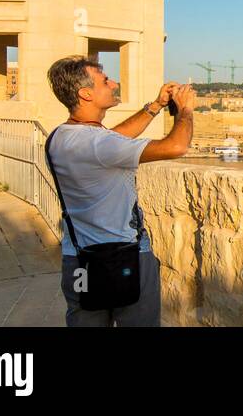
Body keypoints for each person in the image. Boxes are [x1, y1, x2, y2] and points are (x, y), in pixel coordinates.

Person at [45, 55, 195, 327]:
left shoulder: (61, 137)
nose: (114, 83)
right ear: (85, 93)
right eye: (105, 81)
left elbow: (111, 140)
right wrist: (185, 111)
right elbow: (176, 147)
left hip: (78, 258)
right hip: (127, 256)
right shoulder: (97, 144)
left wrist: (156, 106)